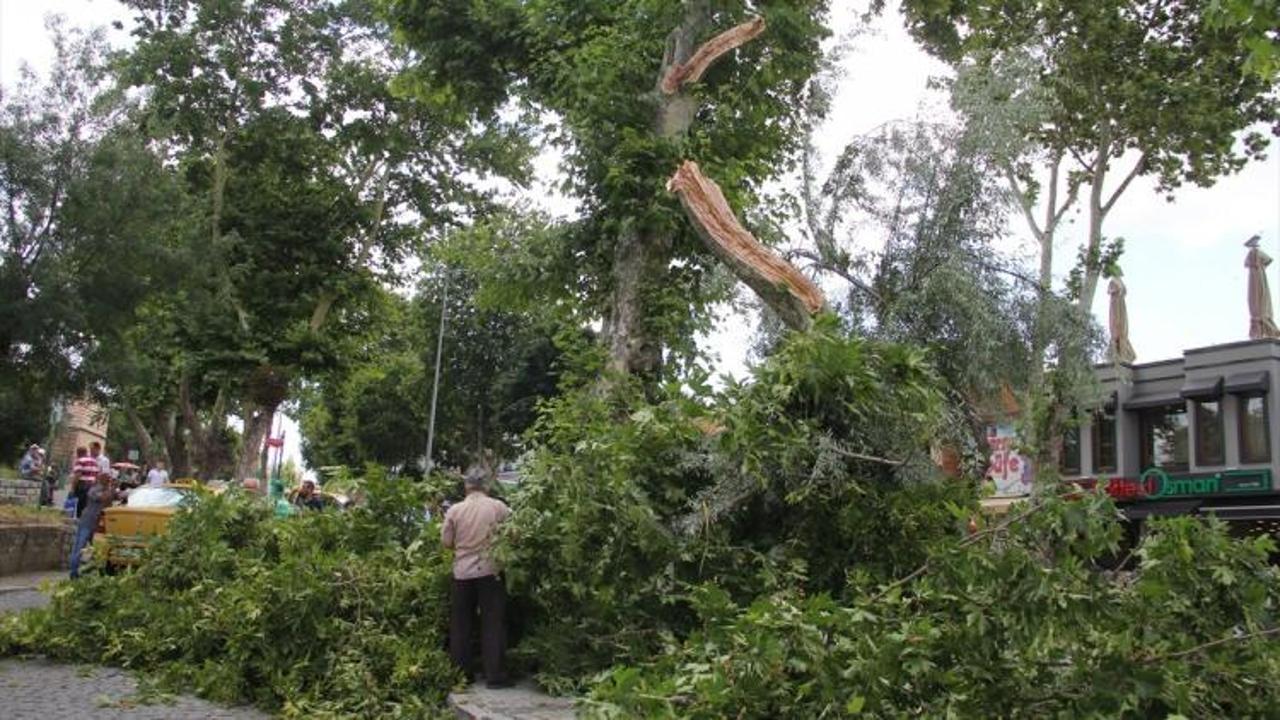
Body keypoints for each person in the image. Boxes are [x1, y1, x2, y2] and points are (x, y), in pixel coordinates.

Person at [442, 467, 513, 688]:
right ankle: (495, 676)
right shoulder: (498, 507)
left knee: (462, 624)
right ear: (487, 486)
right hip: (491, 572)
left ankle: (462, 675)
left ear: (467, 486)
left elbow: (446, 542)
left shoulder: (455, 510)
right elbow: (514, 533)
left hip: (462, 573)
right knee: (492, 622)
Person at [69, 472, 115, 579]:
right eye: (108, 480)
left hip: (97, 525)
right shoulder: (94, 490)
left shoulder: (104, 490)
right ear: (103, 480)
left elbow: (110, 501)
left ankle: (96, 571)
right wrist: (111, 490)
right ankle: (73, 572)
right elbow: (104, 498)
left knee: (97, 549)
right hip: (88, 522)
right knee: (79, 547)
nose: (109, 482)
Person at [71, 447, 99, 518]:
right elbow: (97, 475)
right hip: (92, 486)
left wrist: (73, 488)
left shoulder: (80, 461)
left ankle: (78, 521)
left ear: (78, 453)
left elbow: (78, 475)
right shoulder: (94, 461)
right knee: (87, 506)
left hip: (82, 485)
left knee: (79, 506)